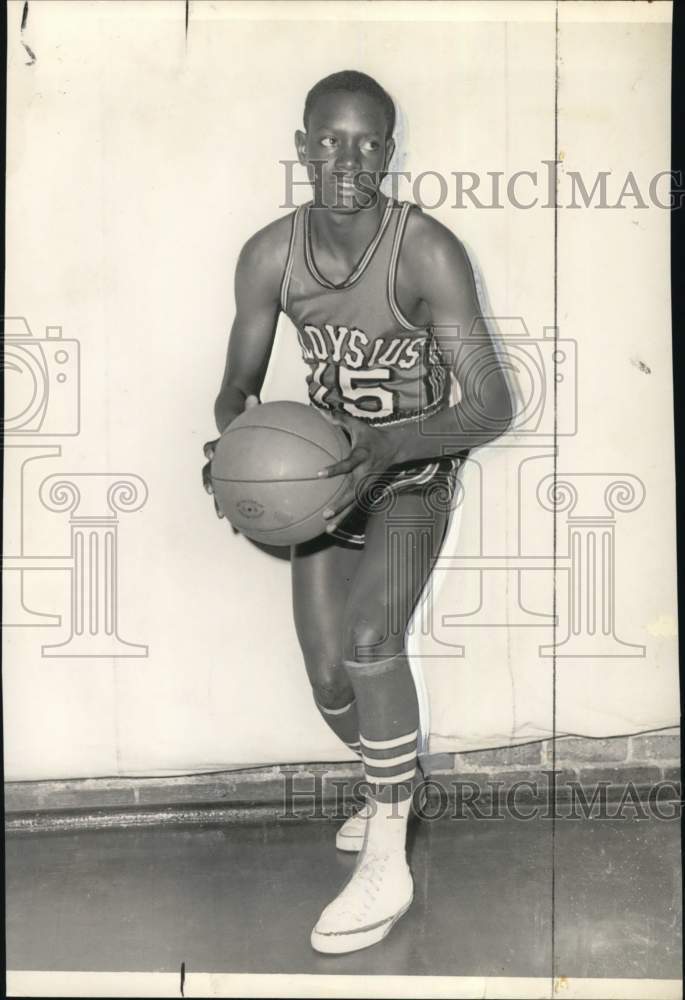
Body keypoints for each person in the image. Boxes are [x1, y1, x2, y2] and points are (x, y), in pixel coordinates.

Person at [203, 70, 512, 955]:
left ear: (390, 152)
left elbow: (491, 406)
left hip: (411, 469)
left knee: (371, 641)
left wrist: (389, 447)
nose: (348, 159)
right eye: (328, 141)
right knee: (331, 679)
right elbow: (235, 390)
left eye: (368, 143)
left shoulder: (426, 251)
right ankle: (395, 788)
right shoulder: (270, 253)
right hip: (329, 475)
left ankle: (385, 852)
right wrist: (241, 454)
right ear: (300, 147)